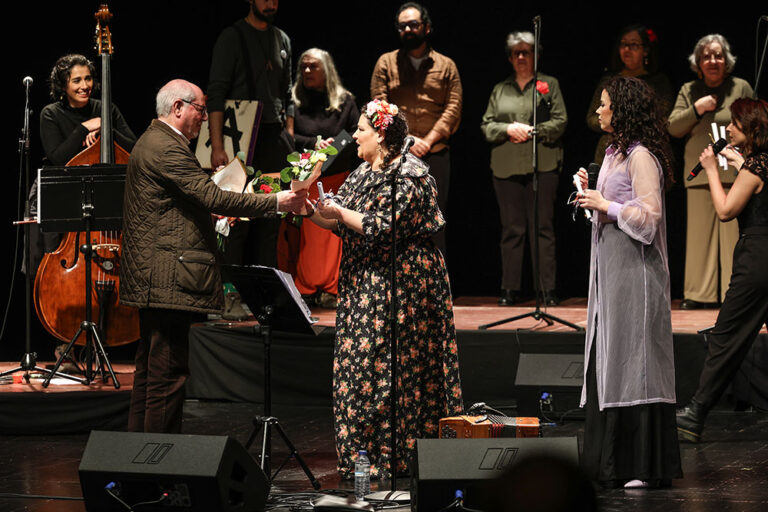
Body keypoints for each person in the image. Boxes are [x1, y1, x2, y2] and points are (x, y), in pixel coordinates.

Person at [119, 79, 306, 434]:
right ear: (178, 108)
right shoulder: (167, 147)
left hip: (156, 277)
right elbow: (212, 197)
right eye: (201, 109)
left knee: (151, 371)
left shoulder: (154, 142)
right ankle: (155, 465)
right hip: (168, 277)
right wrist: (276, 202)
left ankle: (135, 464)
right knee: (167, 374)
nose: (205, 118)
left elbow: (189, 200)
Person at [306, 99, 463, 478]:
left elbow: (383, 227)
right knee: (359, 370)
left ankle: (401, 457)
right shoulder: (361, 172)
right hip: (364, 284)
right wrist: (309, 208)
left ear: (382, 135)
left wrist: (340, 212)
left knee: (397, 371)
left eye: (361, 129)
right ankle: (365, 457)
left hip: (402, 284)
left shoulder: (411, 174)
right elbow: (338, 215)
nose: (355, 134)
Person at [577, 76, 682, 488]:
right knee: (608, 353)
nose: (600, 111)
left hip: (636, 276)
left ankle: (640, 464)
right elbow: (613, 210)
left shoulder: (641, 156)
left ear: (621, 109)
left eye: (605, 104)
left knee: (634, 358)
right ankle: (611, 463)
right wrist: (592, 198)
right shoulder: (612, 153)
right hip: (611, 271)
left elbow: (649, 217)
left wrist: (607, 204)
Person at [32, 53, 137, 368]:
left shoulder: (108, 110)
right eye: (76, 80)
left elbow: (134, 146)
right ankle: (65, 342)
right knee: (56, 268)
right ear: (63, 85)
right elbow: (58, 156)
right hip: (63, 201)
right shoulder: (50, 114)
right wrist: (85, 129)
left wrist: (107, 130)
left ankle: (102, 339)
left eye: (88, 79)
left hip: (104, 207)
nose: (85, 86)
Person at [677, 98, 768, 442]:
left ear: (750, 128)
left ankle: (694, 413)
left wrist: (713, 170)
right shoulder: (760, 164)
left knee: (726, 338)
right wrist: (740, 163)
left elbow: (727, 210)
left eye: (733, 124)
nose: (728, 129)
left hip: (757, 261)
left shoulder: (755, 166)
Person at [480, 31, 567, 306]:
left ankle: (547, 290)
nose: (521, 57)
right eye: (516, 53)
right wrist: (508, 128)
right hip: (506, 168)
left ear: (535, 55)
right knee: (512, 230)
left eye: (526, 52)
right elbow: (487, 125)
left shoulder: (548, 84)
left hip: (542, 164)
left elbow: (561, 121)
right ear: (509, 57)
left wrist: (533, 131)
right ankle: (510, 289)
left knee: (543, 228)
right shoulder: (500, 89)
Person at [370, 2, 462, 259]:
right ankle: (399, 283)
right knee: (395, 218)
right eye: (402, 26)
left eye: (413, 25)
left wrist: (428, 141)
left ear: (427, 27)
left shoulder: (446, 65)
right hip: (396, 153)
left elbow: (453, 109)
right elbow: (379, 105)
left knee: (434, 220)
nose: (408, 30)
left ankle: (435, 285)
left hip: (436, 152)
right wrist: (407, 139)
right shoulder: (386, 62)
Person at [668, 34, 753, 310]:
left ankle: (734, 293)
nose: (712, 61)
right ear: (698, 62)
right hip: (701, 172)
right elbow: (673, 127)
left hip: (735, 172)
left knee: (733, 238)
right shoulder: (689, 90)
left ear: (726, 61)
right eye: (706, 56)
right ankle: (699, 294)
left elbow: (756, 123)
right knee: (699, 237)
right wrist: (696, 109)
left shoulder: (741, 87)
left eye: (718, 55)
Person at [207, 0, 293, 269]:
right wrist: (217, 145)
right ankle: (231, 289)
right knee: (236, 217)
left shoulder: (282, 39)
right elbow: (216, 94)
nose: (270, 3)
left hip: (271, 138)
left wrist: (288, 133)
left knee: (270, 213)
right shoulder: (232, 37)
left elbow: (287, 92)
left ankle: (266, 291)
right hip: (241, 139)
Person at [279, 48, 359, 309]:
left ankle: (332, 289)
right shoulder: (294, 100)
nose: (307, 71)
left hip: (338, 177)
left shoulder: (345, 100)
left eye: (313, 66)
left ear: (327, 70)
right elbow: (287, 137)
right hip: (308, 177)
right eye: (303, 67)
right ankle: (306, 288)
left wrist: (334, 146)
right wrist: (314, 143)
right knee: (310, 237)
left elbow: (357, 133)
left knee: (332, 236)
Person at [586, 24, 673, 165]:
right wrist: (615, 123)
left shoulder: (658, 81)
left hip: (645, 146)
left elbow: (662, 118)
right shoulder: (609, 80)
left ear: (645, 50)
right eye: (623, 44)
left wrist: (626, 125)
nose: (626, 50)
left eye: (633, 45)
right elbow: (591, 118)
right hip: (609, 147)